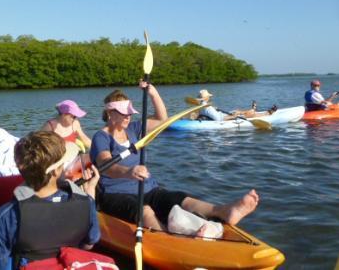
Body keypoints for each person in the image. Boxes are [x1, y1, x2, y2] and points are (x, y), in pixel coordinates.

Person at [90, 83, 260, 234]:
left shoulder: (134, 129)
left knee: (180, 199)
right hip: (115, 194)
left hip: (147, 188)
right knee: (146, 211)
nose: (128, 117)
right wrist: (128, 171)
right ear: (110, 113)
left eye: (129, 113)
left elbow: (162, 119)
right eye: (123, 113)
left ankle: (224, 211)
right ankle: (173, 240)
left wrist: (153, 92)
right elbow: (106, 164)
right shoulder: (101, 137)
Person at [0, 131, 101, 269]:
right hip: (68, 264)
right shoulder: (86, 202)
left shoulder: (8, 214)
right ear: (55, 171)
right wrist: (90, 194)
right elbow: (90, 242)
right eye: (62, 164)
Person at [196, 89, 275, 121]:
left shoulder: (201, 105)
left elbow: (206, 112)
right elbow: (218, 119)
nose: (209, 98)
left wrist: (214, 108)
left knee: (237, 111)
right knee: (248, 114)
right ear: (206, 98)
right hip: (224, 117)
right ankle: (267, 113)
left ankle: (253, 109)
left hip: (222, 114)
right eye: (208, 97)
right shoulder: (207, 107)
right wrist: (233, 116)